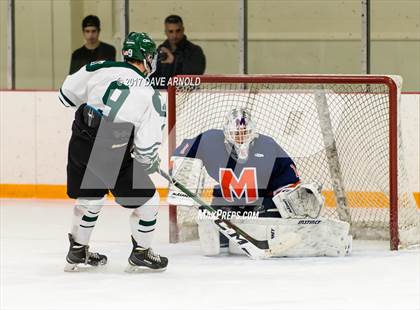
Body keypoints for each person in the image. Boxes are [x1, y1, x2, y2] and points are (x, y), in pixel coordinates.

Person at [169, 108, 352, 257]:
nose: (241, 137)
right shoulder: (209, 140)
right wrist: (181, 178)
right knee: (217, 247)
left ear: (253, 132)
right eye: (236, 133)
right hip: (226, 203)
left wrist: (290, 198)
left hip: (261, 204)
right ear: (226, 132)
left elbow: (287, 175)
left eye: (245, 132)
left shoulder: (268, 145)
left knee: (273, 227)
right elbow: (182, 154)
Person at [58, 32, 168, 272]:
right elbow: (145, 151)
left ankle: (77, 250)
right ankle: (142, 252)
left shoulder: (100, 66)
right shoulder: (151, 95)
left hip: (79, 142)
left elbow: (65, 95)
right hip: (110, 151)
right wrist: (148, 160)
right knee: (150, 200)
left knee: (91, 195)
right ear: (146, 58)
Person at [152, 15, 206, 89]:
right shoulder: (160, 52)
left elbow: (195, 75)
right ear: (166, 32)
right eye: (171, 31)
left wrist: (174, 61)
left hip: (188, 96)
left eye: (178, 31)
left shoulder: (195, 51)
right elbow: (153, 79)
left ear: (183, 30)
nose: (174, 35)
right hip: (163, 96)